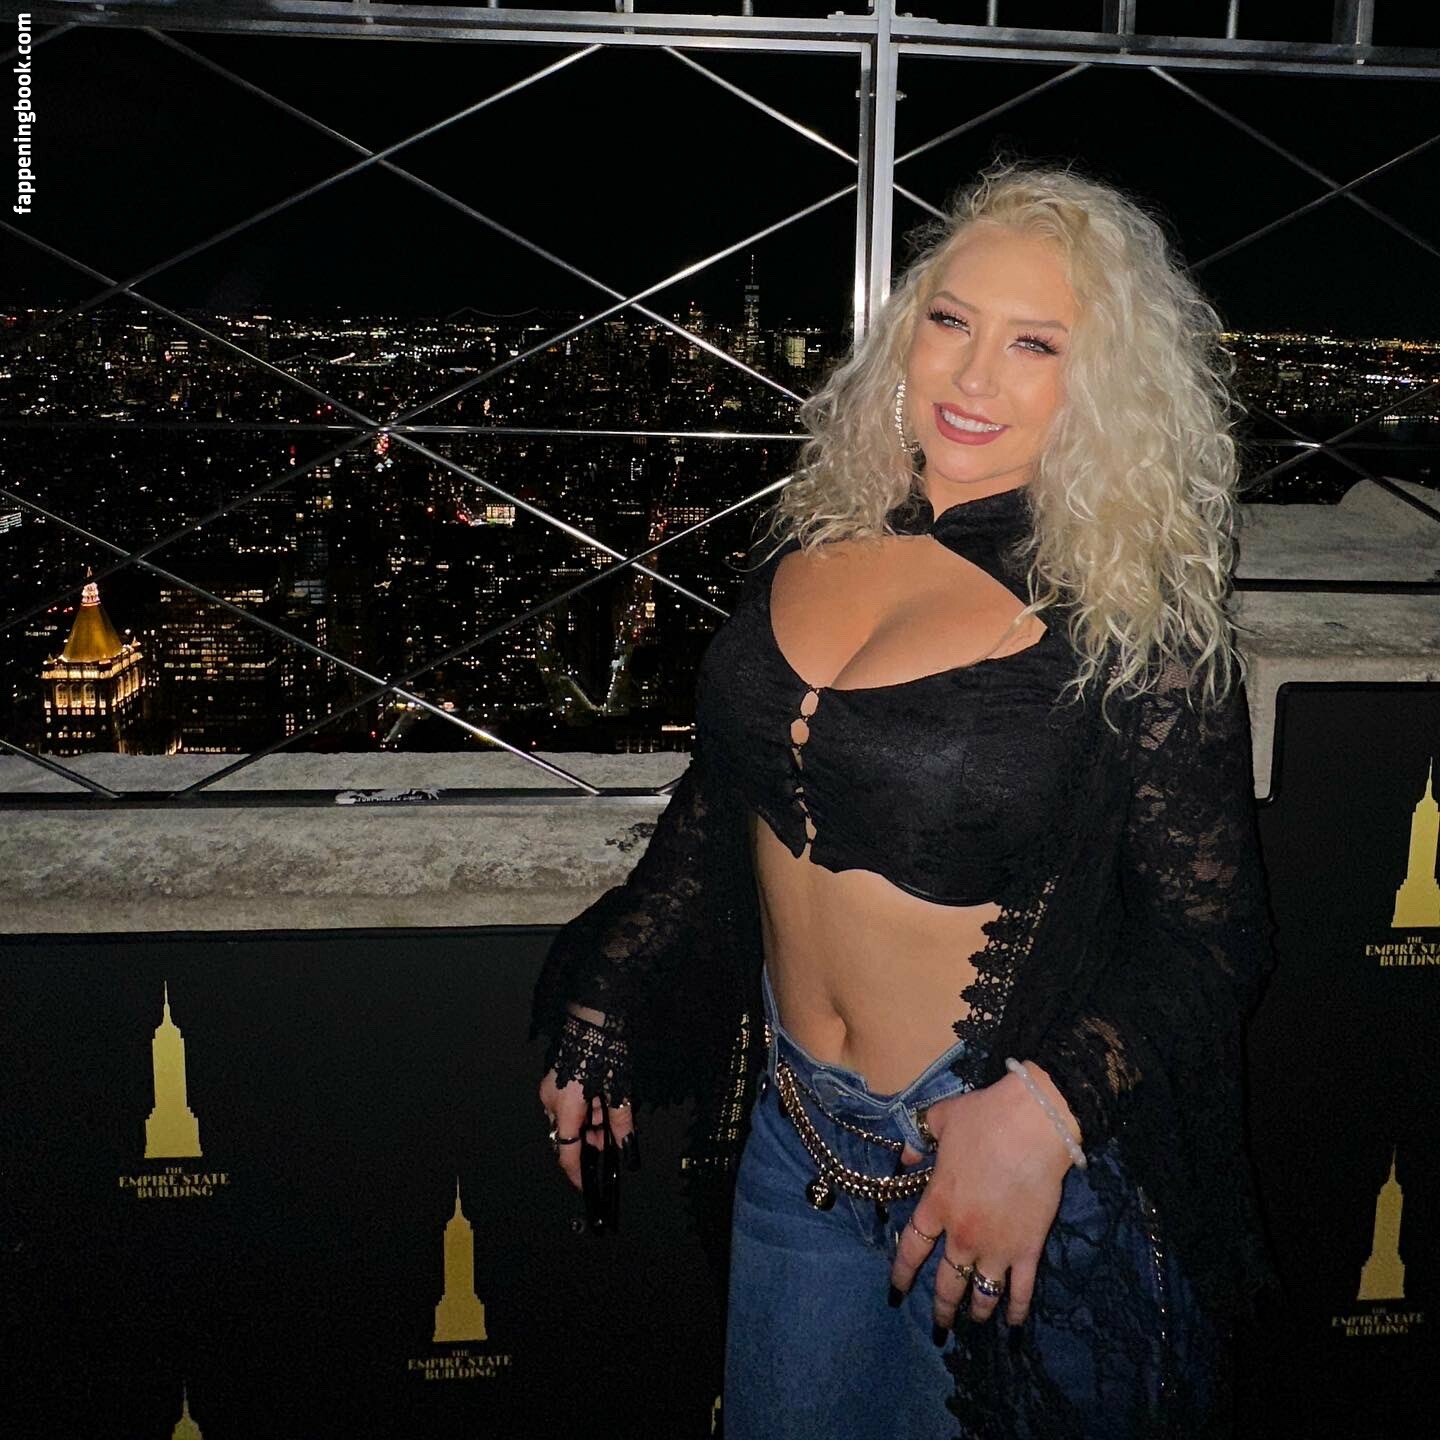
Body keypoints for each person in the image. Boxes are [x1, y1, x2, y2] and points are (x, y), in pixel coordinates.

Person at [531, 155, 1283, 1438]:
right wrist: (612, 985)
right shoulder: (818, 529)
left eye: (1036, 344)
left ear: (1104, 387)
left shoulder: (1131, 618)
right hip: (797, 1144)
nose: (974, 376)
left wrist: (1044, 1112)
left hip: (1006, 1172)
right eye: (950, 321)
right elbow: (726, 806)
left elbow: (1214, 937)